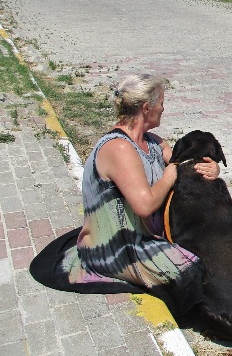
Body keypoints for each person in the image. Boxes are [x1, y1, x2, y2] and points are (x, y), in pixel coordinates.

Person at [56, 74, 219, 315]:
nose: (163, 108)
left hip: (145, 236)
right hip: (116, 246)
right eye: (161, 102)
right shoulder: (118, 148)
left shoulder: (152, 142)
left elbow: (182, 162)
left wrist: (210, 167)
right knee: (191, 272)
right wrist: (169, 175)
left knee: (211, 252)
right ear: (146, 108)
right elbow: (145, 205)